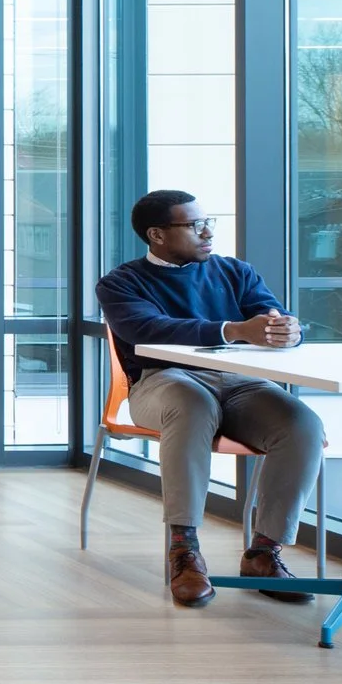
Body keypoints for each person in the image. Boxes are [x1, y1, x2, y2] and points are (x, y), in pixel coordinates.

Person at [95, 188, 320, 609]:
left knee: (303, 425)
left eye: (208, 221)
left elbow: (268, 318)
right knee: (191, 404)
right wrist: (233, 330)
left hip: (239, 382)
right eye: (194, 224)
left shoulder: (235, 272)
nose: (208, 231)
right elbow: (149, 330)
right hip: (160, 383)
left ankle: (263, 553)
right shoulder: (120, 283)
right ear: (157, 234)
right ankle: (184, 551)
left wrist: (287, 330)